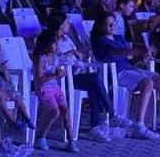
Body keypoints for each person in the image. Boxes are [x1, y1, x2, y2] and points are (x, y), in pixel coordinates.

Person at [90, 12, 160, 138]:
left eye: (114, 23)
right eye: (108, 24)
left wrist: (140, 58)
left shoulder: (118, 38)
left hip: (129, 69)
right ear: (100, 26)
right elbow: (119, 52)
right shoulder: (100, 40)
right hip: (115, 73)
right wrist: (140, 50)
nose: (112, 26)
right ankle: (139, 126)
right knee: (147, 83)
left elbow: (128, 60)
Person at [45, 11, 119, 142]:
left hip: (76, 75)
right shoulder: (50, 41)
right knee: (94, 79)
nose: (69, 25)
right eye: (67, 23)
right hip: (62, 78)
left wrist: (83, 55)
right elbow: (55, 60)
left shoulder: (67, 39)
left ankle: (95, 127)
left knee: (93, 86)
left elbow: (76, 59)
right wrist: (73, 52)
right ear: (60, 25)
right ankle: (110, 113)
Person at [31, 29, 78, 152]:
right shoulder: (40, 59)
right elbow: (39, 79)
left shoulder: (56, 57)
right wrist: (55, 75)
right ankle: (40, 137)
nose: (57, 46)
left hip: (55, 88)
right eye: (54, 43)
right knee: (54, 111)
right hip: (43, 89)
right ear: (46, 44)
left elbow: (57, 72)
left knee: (65, 109)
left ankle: (71, 140)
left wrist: (60, 74)